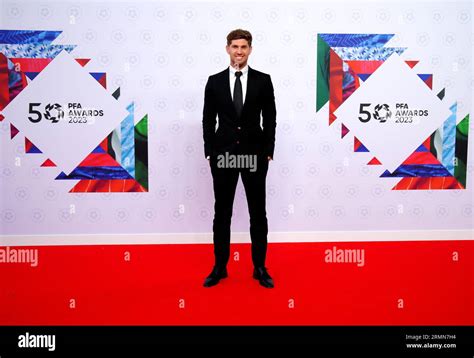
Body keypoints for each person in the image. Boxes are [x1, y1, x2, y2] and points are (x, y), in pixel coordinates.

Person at [202, 29, 277, 288]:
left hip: (254, 156)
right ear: (227, 49)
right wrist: (210, 152)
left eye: (244, 46)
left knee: (258, 214)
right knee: (222, 213)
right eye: (235, 46)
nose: (239, 51)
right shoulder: (214, 82)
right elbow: (207, 119)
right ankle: (220, 267)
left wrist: (268, 151)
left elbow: (270, 118)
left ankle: (259, 267)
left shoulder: (263, 80)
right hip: (223, 156)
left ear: (250, 49)